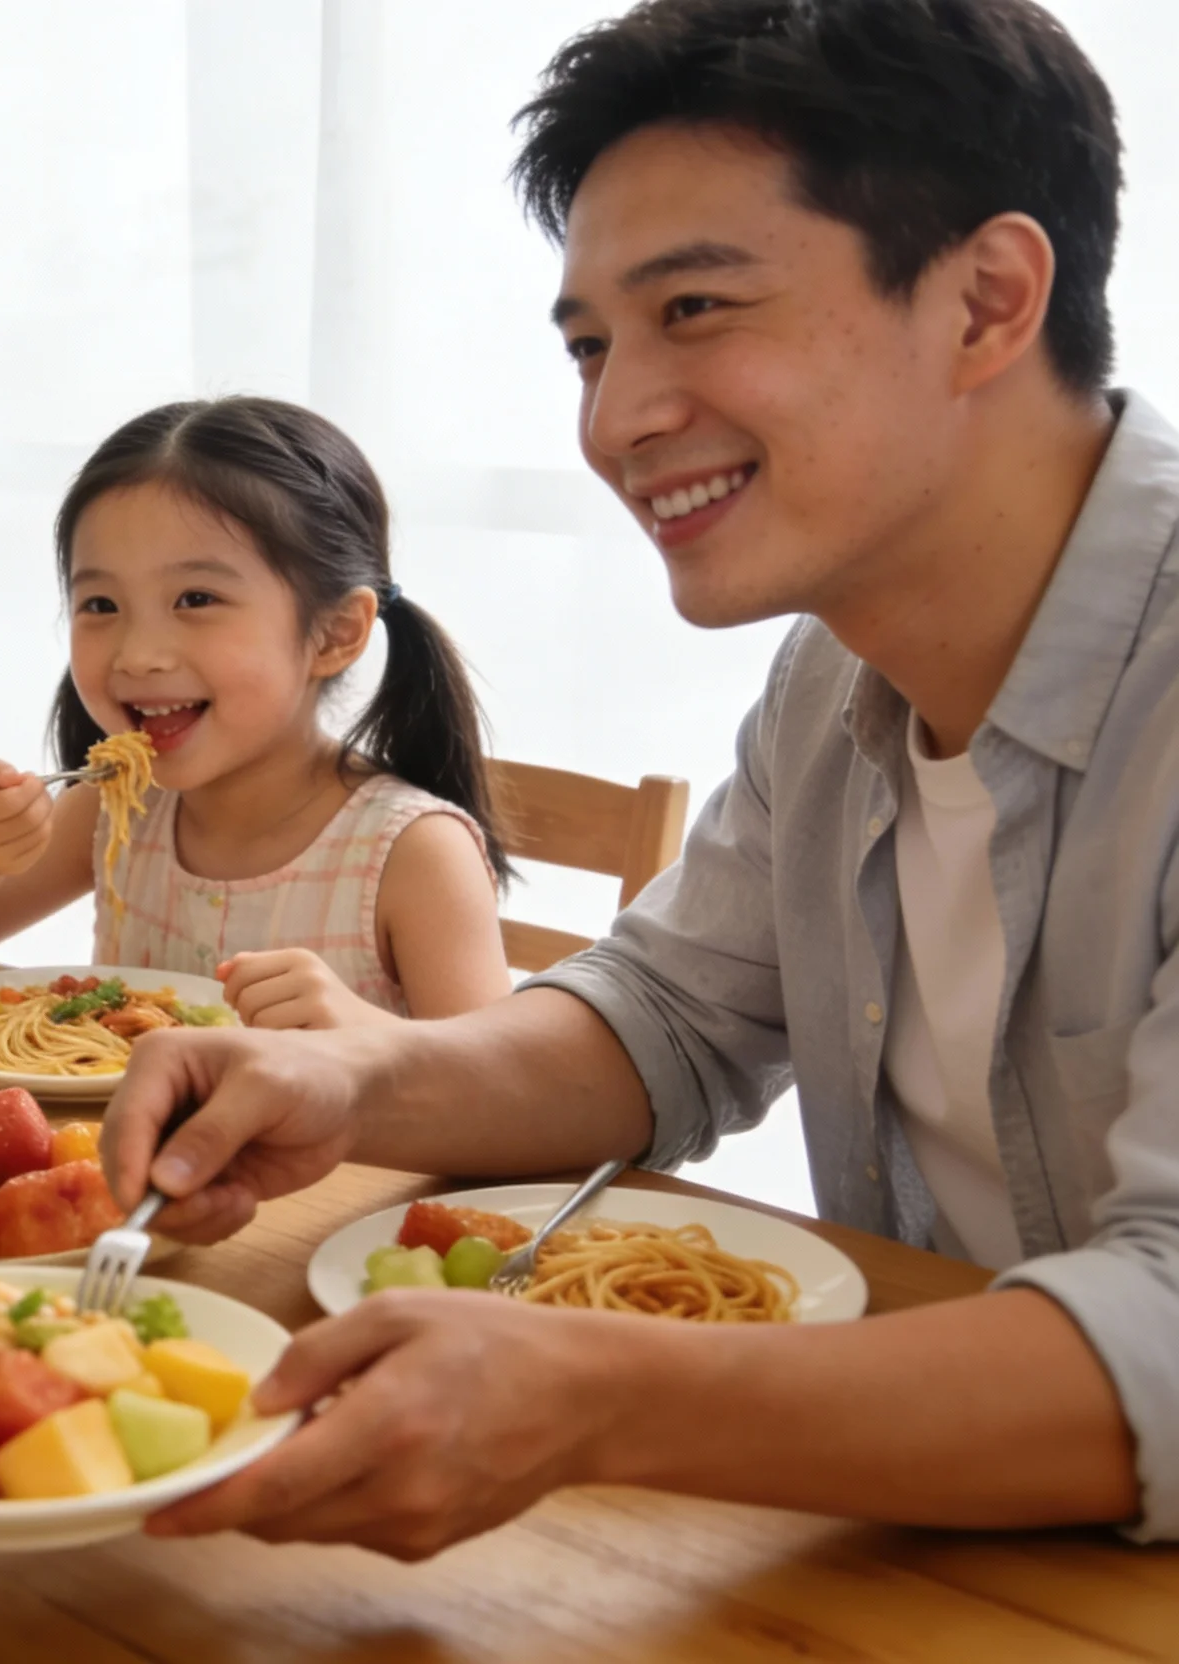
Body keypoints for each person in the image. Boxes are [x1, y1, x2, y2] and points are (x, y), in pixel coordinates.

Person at [98, 0, 1174, 1557]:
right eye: (594, 345)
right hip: (919, 1548)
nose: (616, 421)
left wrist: (603, 1396)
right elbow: (664, 1021)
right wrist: (359, 1078)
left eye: (698, 311)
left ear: (987, 300)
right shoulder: (833, 679)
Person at [0, 397, 513, 1027]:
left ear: (335, 633)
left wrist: (366, 1035)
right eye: (100, 605)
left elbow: (497, 1107)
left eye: (196, 598)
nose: (138, 654)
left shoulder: (414, 853)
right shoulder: (122, 804)